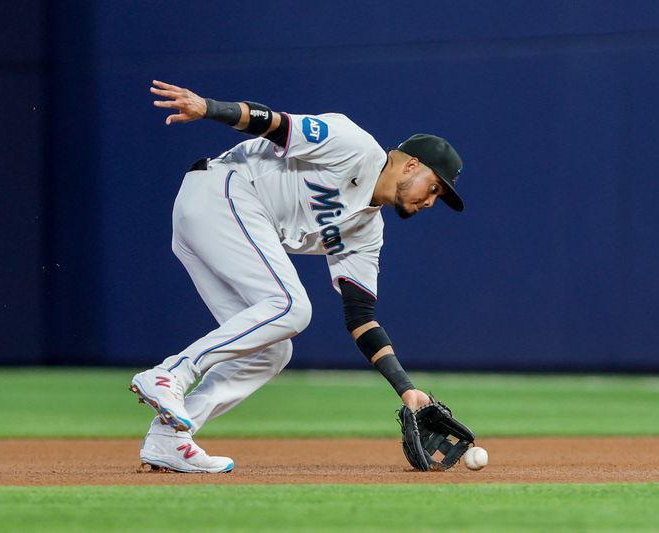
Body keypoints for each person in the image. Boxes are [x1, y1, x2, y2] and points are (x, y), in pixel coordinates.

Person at [130, 80, 466, 473]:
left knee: (272, 349)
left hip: (216, 222)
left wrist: (407, 390)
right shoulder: (354, 145)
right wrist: (209, 107)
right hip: (223, 190)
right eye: (435, 187)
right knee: (290, 307)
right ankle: (172, 373)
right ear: (412, 165)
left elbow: (361, 319)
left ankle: (169, 438)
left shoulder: (366, 232)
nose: (431, 200)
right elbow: (274, 123)